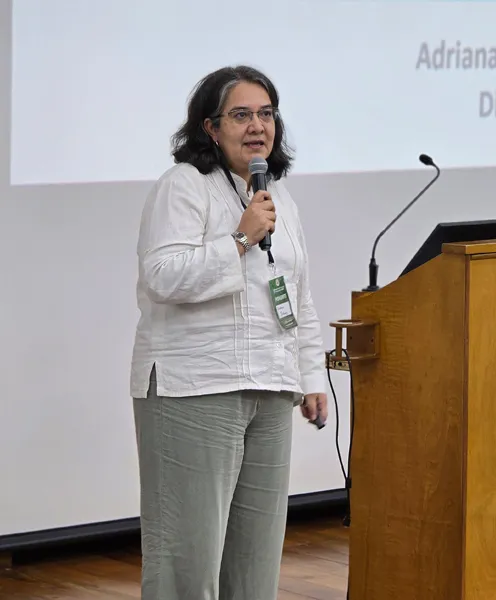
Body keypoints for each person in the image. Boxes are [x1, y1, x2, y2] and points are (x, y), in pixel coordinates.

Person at [129, 65, 328, 600]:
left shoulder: (278, 199)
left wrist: (311, 375)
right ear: (211, 128)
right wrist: (238, 242)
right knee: (186, 563)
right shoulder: (183, 187)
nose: (257, 126)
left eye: (266, 114)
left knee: (255, 561)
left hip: (269, 386)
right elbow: (163, 276)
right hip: (193, 386)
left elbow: (297, 296)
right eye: (241, 115)